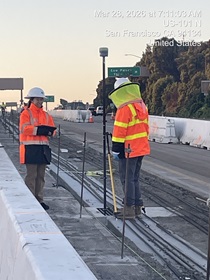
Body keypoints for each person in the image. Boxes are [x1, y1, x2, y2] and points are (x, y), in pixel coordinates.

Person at [109, 77, 150, 219]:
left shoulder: (125, 108)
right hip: (141, 148)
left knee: (127, 179)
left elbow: (120, 131)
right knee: (134, 178)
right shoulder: (142, 106)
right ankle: (138, 206)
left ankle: (129, 209)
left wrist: (116, 149)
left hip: (128, 149)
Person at [19, 87, 56, 210]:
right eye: (38, 99)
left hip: (43, 149)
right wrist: (40, 130)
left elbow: (53, 130)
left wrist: (49, 132)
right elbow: (24, 129)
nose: (40, 101)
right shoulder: (26, 113)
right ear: (32, 100)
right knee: (31, 176)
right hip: (30, 149)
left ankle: (39, 200)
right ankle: (30, 200)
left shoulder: (46, 115)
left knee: (41, 176)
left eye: (41, 99)